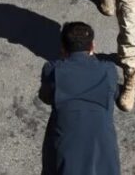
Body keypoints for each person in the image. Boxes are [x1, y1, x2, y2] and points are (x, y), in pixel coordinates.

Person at [39, 22, 120, 175]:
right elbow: (115, 94)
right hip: (101, 144)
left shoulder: (53, 70)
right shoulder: (108, 70)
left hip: (65, 143)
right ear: (92, 46)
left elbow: (46, 97)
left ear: (63, 48)